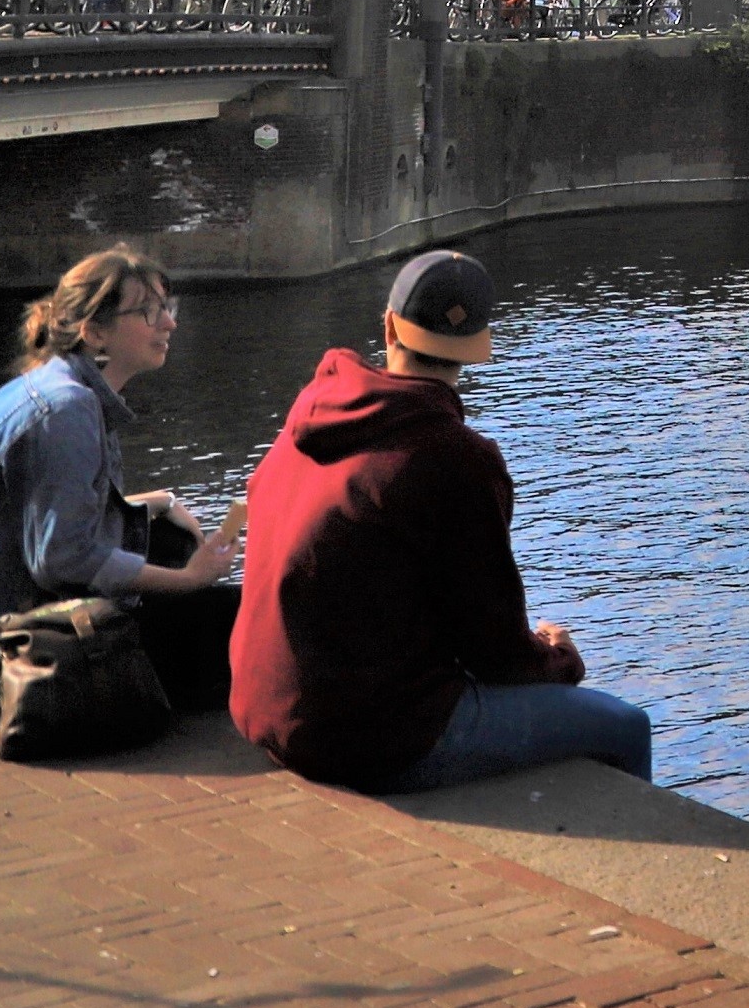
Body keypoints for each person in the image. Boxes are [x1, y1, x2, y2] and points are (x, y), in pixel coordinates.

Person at [229, 250, 651, 793]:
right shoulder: (454, 456)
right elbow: (494, 647)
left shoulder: (313, 411)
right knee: (624, 726)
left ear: (388, 325)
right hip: (357, 738)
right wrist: (559, 658)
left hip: (261, 706)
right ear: (479, 349)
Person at [0, 247, 241, 722]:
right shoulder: (66, 411)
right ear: (95, 333)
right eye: (149, 312)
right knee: (228, 619)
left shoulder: (59, 386)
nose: (168, 324)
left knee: (172, 550)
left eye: (168, 308)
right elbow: (64, 556)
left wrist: (160, 502)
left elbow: (50, 511)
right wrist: (189, 579)